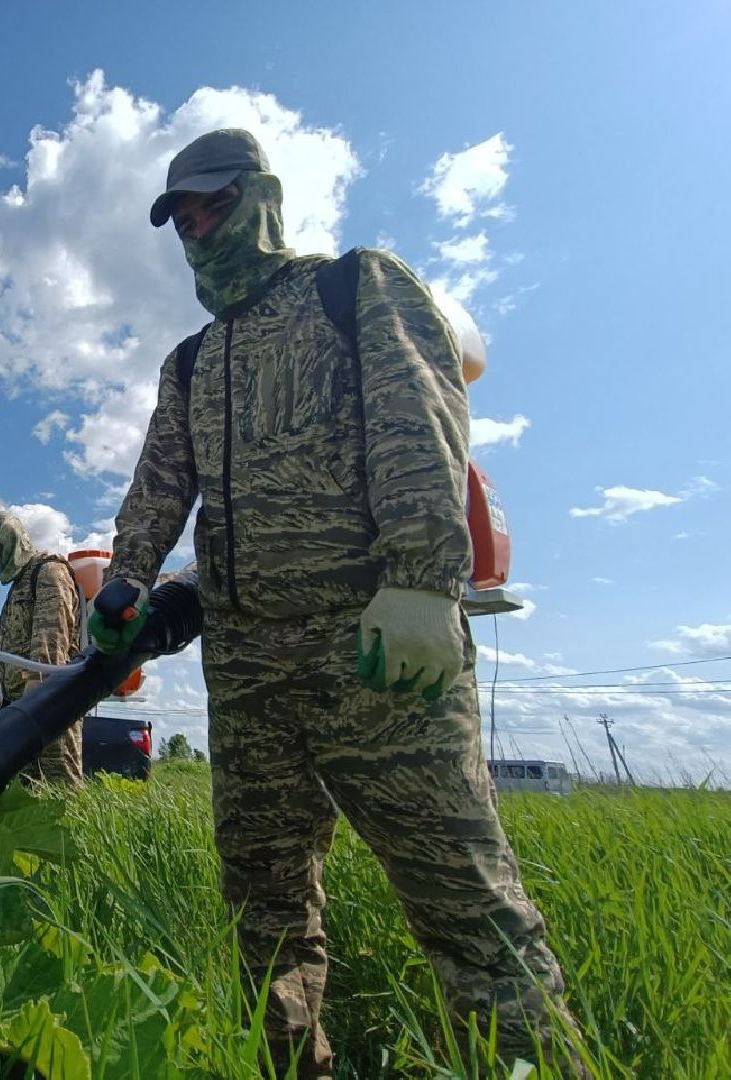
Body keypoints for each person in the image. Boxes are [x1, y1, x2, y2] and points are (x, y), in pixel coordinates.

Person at [87, 128, 583, 1076]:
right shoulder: (191, 361)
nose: (198, 227)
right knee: (263, 906)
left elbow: (417, 421)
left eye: (213, 204)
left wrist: (419, 580)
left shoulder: (353, 288)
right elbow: (159, 484)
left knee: (463, 900)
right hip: (246, 667)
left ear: (262, 196)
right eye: (182, 218)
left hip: (374, 649)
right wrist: (128, 576)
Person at [0, 510, 84, 786]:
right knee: (26, 794)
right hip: (21, 711)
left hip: (50, 708)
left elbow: (49, 648)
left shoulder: (49, 573)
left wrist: (34, 708)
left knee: (60, 790)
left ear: (14, 539)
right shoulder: (19, 587)